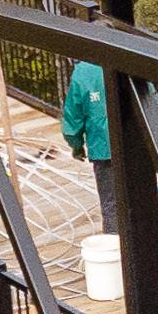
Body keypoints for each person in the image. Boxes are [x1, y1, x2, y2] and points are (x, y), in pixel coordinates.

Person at [58, 59, 115, 230]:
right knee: (142, 201)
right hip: (137, 147)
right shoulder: (132, 58)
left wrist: (77, 146)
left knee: (112, 206)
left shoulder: (83, 72)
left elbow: (72, 120)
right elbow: (154, 106)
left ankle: (115, 243)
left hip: (103, 149)